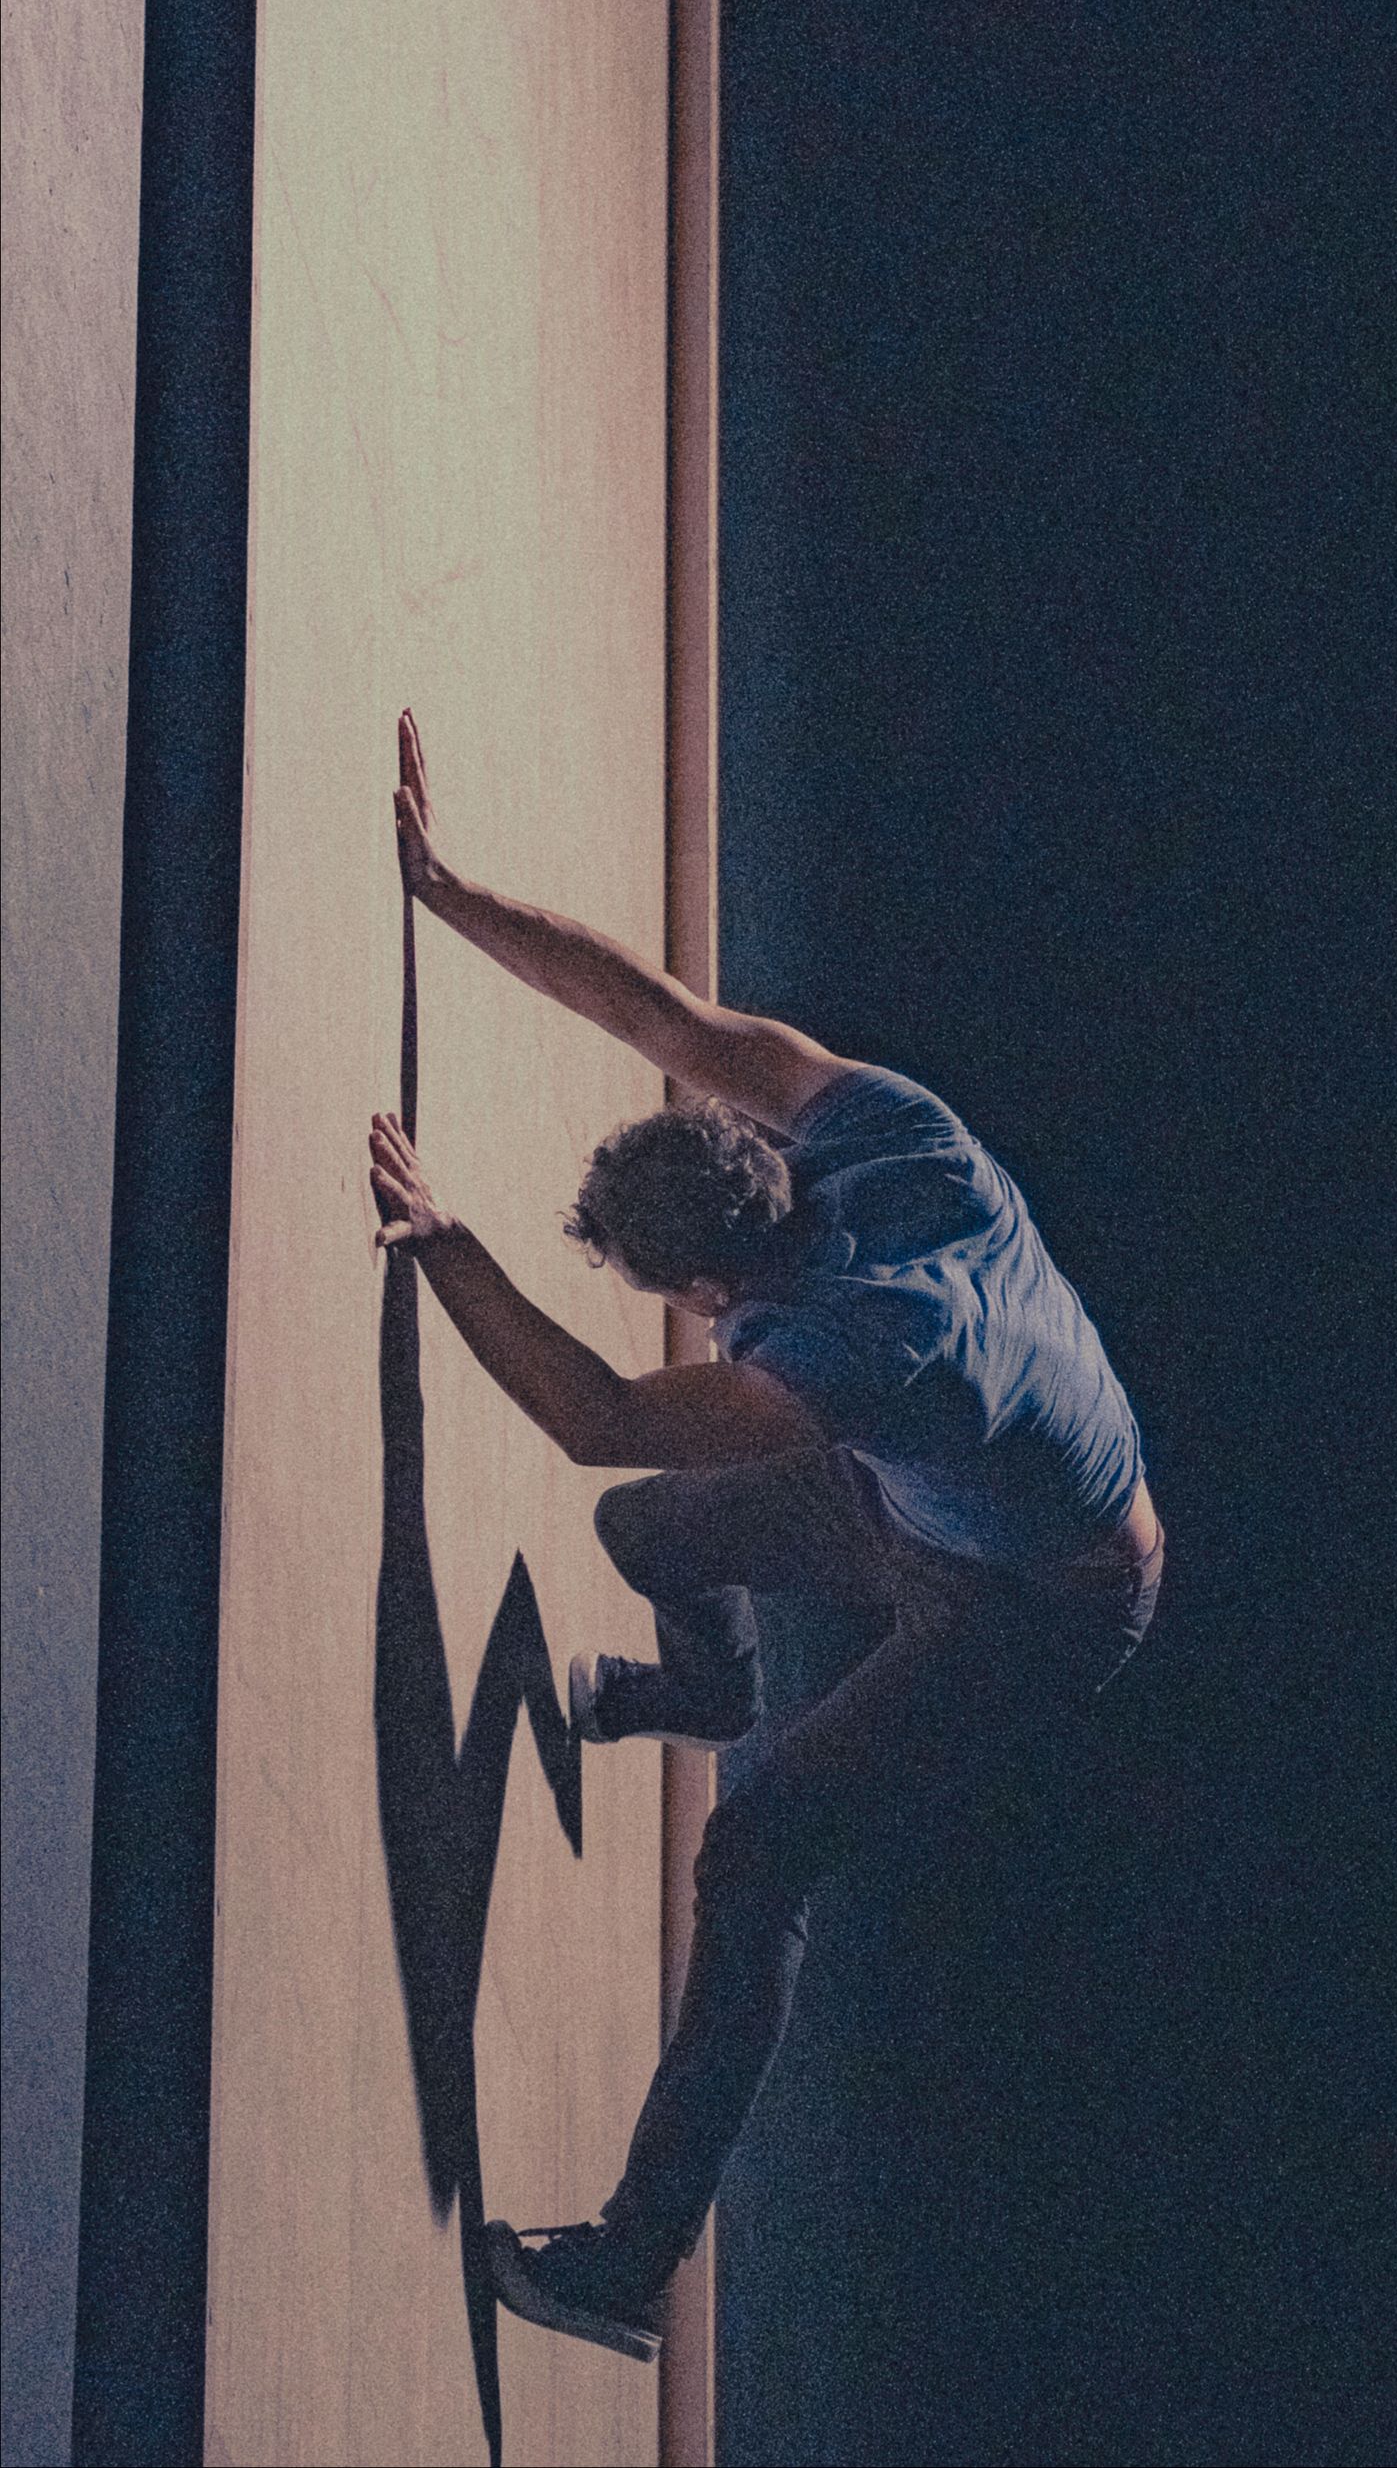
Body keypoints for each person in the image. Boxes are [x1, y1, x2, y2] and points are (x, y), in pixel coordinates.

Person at [368, 709, 1163, 2368]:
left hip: (1041, 1602)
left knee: (752, 1860)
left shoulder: (854, 1355)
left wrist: (444, 1243)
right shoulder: (881, 1130)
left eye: (666, 1295)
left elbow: (595, 1403)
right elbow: (656, 1010)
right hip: (929, 1493)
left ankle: (621, 2272)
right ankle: (713, 1691)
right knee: (653, 1534)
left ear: (719, 1293)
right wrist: (448, 890)